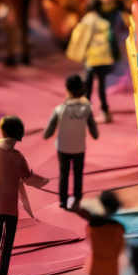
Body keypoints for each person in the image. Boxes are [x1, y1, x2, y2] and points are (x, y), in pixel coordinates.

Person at [0, 115, 46, 275]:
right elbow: (27, 176)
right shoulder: (17, 157)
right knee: (8, 236)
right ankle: (2, 270)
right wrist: (44, 182)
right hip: (10, 201)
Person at [44, 73, 98, 208]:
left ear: (67, 90)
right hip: (79, 147)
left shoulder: (60, 109)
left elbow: (49, 131)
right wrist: (94, 134)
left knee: (64, 173)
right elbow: (93, 129)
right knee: (78, 173)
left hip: (63, 147)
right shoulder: (86, 108)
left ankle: (63, 200)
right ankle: (77, 198)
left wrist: (46, 134)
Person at [69, 0, 117, 122]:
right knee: (102, 87)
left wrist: (77, 52)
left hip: (91, 58)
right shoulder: (104, 22)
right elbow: (111, 38)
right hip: (104, 58)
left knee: (88, 87)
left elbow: (80, 37)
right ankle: (105, 111)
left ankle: (85, 113)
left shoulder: (86, 21)